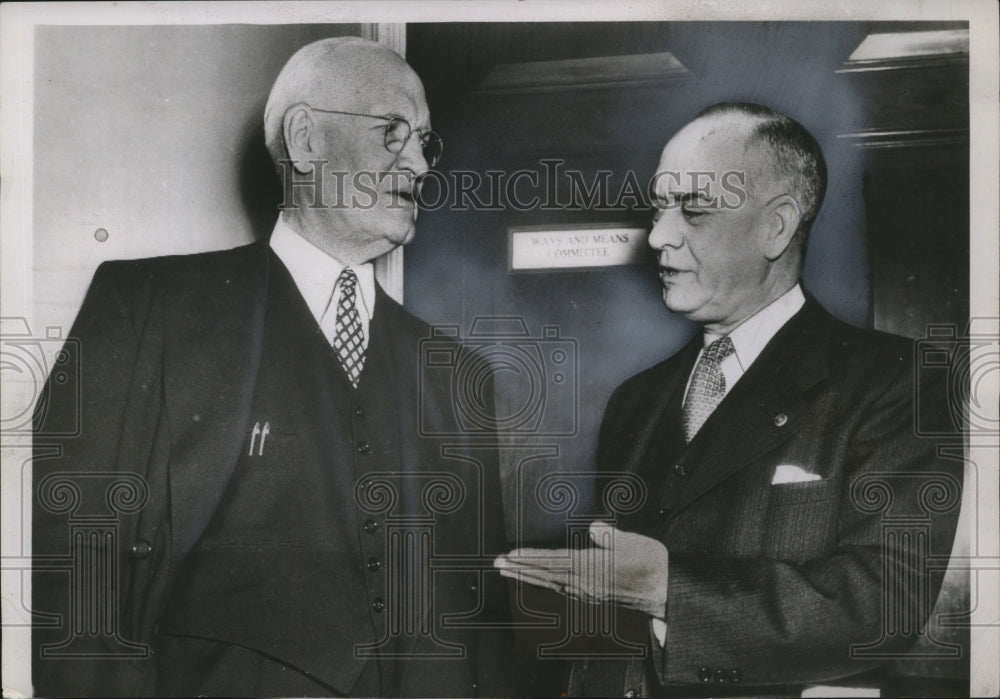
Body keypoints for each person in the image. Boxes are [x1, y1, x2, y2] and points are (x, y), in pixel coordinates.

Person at [33, 37, 512, 698]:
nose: (419, 165)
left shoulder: (460, 376)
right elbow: (79, 584)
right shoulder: (150, 310)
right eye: (393, 132)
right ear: (307, 139)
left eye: (425, 144)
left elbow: (485, 628)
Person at [496, 102, 962, 697]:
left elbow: (882, 606)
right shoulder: (636, 401)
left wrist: (667, 588)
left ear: (777, 226)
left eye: (693, 209)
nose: (660, 235)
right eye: (660, 206)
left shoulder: (898, 383)